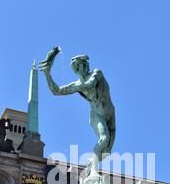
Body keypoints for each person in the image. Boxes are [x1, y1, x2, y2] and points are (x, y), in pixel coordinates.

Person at [39, 47, 116, 176]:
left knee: (107, 152)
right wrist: (47, 74)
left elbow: (89, 85)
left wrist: (74, 88)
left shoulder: (96, 73)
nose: (85, 67)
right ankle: (94, 170)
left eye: (85, 65)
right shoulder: (77, 84)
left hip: (110, 114)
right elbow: (56, 91)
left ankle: (93, 162)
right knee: (104, 138)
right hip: (96, 115)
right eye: (81, 66)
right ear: (76, 69)